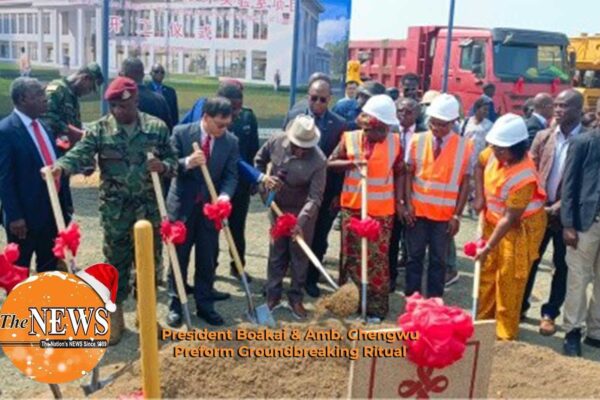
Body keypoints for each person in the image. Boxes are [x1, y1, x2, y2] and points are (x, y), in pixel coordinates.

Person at [49, 77, 177, 344]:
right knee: (115, 266)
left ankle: (146, 317)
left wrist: (164, 167)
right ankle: (115, 321)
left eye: (123, 106)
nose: (118, 111)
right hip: (116, 214)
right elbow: (80, 153)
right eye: (114, 106)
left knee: (149, 266)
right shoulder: (100, 130)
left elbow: (173, 159)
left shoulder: (157, 128)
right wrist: (61, 166)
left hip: (148, 212)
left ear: (136, 102)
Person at [165, 97, 239, 328]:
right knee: (179, 257)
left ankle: (205, 305)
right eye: (219, 124)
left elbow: (231, 174)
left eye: (227, 125)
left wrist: (225, 197)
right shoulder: (181, 133)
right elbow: (167, 165)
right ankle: (176, 304)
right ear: (205, 118)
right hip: (182, 207)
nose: (223, 129)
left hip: (210, 209)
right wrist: (187, 162)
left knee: (207, 257)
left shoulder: (230, 141)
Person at [473, 114, 547, 340]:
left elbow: (510, 218)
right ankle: (482, 324)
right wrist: (479, 197)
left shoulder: (525, 175)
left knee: (508, 280)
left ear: (516, 149)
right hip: (491, 220)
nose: (496, 153)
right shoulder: (493, 153)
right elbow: (479, 162)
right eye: (494, 147)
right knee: (486, 273)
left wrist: (488, 246)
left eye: (501, 150)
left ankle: (504, 334)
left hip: (518, 229)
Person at [329, 94, 402, 321]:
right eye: (376, 131)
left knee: (377, 262)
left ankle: (375, 309)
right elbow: (330, 163)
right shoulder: (349, 139)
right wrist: (352, 163)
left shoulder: (396, 142)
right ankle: (349, 304)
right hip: (353, 208)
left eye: (384, 131)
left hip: (381, 212)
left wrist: (400, 202)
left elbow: (400, 173)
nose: (381, 136)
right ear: (367, 126)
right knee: (351, 258)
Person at [522, 90, 585, 336]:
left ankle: (549, 314)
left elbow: (585, 183)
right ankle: (521, 307)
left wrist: (557, 208)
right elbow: (531, 170)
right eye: (556, 105)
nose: (558, 110)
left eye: (564, 106)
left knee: (561, 266)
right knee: (529, 260)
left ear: (579, 110)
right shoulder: (543, 137)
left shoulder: (587, 141)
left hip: (568, 216)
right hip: (538, 211)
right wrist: (538, 205)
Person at [255, 115, 327, 319]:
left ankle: (296, 297)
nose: (301, 150)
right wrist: (264, 183)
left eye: (306, 147)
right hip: (277, 205)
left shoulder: (319, 160)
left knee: (299, 256)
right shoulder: (276, 141)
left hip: (303, 211)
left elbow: (315, 197)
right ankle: (272, 295)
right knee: (277, 252)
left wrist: (300, 223)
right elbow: (258, 162)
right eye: (297, 145)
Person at [402, 94, 473, 298]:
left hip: (444, 217)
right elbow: (408, 174)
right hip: (418, 212)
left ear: (453, 123)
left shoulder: (464, 146)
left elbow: (465, 183)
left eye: (442, 125)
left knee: (438, 261)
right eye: (433, 123)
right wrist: (407, 204)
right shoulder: (417, 140)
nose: (437, 128)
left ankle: (434, 301)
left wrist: (457, 215)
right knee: (413, 257)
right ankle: (412, 299)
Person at [0, 78, 72, 272]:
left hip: (51, 212)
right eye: (39, 94)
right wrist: (15, 216)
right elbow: (4, 179)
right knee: (19, 270)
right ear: (23, 99)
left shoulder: (44, 126)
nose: (45, 98)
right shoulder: (5, 131)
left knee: (49, 268)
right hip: (24, 219)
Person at [282, 78, 345, 298]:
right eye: (313, 97)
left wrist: (337, 194)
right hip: (295, 191)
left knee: (319, 236)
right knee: (290, 234)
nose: (317, 102)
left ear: (330, 99)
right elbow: (283, 148)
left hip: (325, 193)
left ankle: (310, 279)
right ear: (307, 95)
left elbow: (339, 165)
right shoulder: (294, 117)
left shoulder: (338, 124)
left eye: (322, 99)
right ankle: (286, 278)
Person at [559, 108, 600, 357]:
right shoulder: (583, 142)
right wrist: (568, 224)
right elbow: (569, 186)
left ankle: (595, 331)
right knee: (578, 278)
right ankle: (572, 330)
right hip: (585, 224)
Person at [388, 97, 425, 292]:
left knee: (412, 243)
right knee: (392, 239)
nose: (403, 115)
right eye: (400, 111)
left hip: (416, 194)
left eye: (408, 111)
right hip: (391, 192)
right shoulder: (390, 132)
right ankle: (391, 277)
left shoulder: (424, 134)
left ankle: (412, 286)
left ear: (417, 114)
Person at [43, 62, 104, 147]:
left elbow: (75, 125)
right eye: (90, 88)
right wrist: (71, 131)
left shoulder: (73, 97)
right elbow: (46, 117)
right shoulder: (57, 89)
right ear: (85, 78)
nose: (88, 93)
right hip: (52, 146)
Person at [120, 57, 173, 131]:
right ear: (143, 75)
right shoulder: (160, 100)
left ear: (122, 75)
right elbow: (169, 129)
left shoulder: (120, 100)